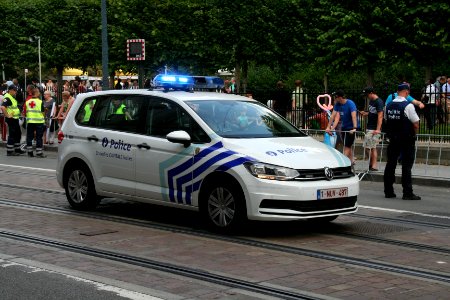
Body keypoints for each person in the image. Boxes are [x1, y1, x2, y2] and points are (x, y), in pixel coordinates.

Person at [384, 83, 420, 200]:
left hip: (393, 139)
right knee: (406, 165)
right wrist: (415, 133)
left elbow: (386, 120)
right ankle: (407, 192)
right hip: (406, 139)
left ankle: (388, 191)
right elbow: (415, 123)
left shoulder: (388, 105)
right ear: (406, 92)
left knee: (390, 164)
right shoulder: (408, 106)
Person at [326, 90, 359, 163]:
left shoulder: (350, 103)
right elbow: (332, 116)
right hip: (344, 127)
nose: (334, 99)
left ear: (340, 97)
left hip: (351, 127)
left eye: (336, 97)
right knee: (347, 144)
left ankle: (343, 162)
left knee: (347, 146)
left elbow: (353, 116)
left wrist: (354, 128)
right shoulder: (337, 104)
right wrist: (328, 127)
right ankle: (351, 161)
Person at [360, 87, 384, 171]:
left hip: (374, 128)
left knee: (371, 147)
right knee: (369, 147)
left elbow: (380, 116)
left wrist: (377, 129)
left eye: (367, 95)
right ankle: (372, 164)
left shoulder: (379, 102)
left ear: (371, 93)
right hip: (369, 126)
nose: (367, 97)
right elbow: (372, 113)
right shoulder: (372, 101)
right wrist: (366, 113)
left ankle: (374, 165)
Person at [1, 85, 26, 156]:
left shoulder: (11, 97)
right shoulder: (7, 97)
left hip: (15, 118)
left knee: (18, 133)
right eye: (14, 90)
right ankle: (10, 151)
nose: (15, 92)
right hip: (11, 119)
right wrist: (7, 115)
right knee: (12, 134)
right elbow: (3, 107)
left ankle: (17, 149)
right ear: (10, 90)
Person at [25, 88, 46, 158]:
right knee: (39, 137)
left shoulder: (27, 102)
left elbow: (26, 111)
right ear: (36, 93)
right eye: (39, 92)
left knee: (29, 137)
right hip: (39, 122)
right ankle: (39, 152)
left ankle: (30, 152)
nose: (39, 93)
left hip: (30, 121)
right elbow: (43, 112)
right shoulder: (40, 102)